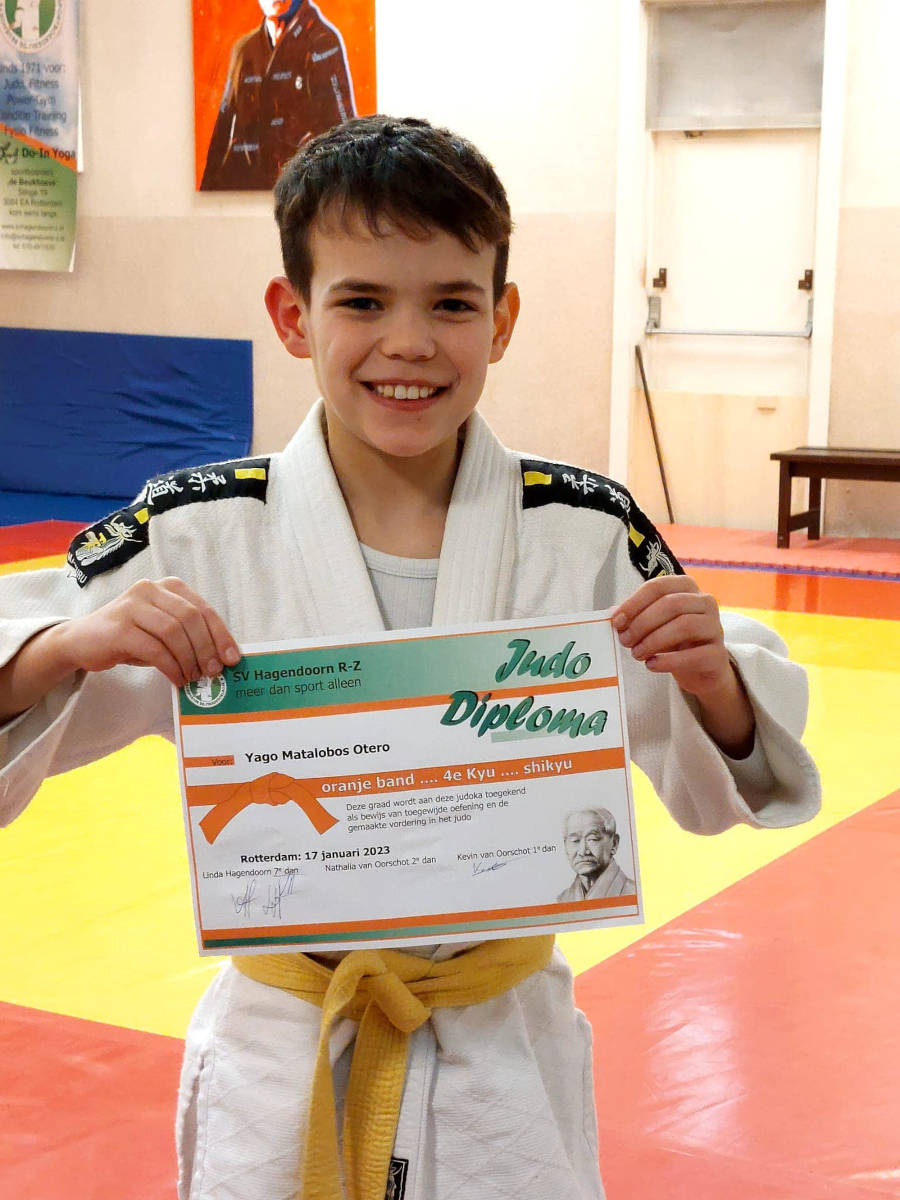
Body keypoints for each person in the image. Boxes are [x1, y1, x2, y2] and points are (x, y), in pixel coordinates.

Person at [0, 116, 821, 1200]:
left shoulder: (583, 530)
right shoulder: (199, 530)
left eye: (451, 303)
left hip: (501, 1058)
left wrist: (715, 686)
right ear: (292, 315)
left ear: (502, 318)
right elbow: (24, 638)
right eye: (361, 301)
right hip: (282, 1051)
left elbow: (733, 778)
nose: (409, 342)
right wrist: (62, 647)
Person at [200, 0, 356, 191]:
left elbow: (342, 131)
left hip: (300, 191)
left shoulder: (322, 43)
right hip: (243, 190)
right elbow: (222, 132)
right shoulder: (244, 50)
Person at [557, 808, 635, 903]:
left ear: (614, 843)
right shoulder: (562, 899)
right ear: (565, 847)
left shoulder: (634, 892)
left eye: (592, 839)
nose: (582, 851)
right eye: (575, 841)